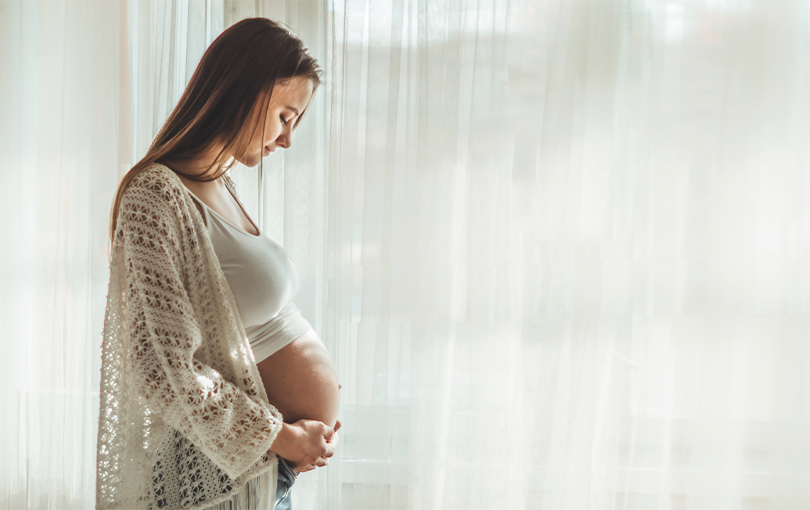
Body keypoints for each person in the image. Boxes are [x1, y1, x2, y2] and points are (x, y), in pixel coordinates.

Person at [96, 18, 340, 510]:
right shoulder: (155, 196)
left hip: (262, 471)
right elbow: (162, 371)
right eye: (285, 116)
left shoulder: (220, 185)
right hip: (212, 477)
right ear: (246, 92)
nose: (287, 139)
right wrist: (284, 437)